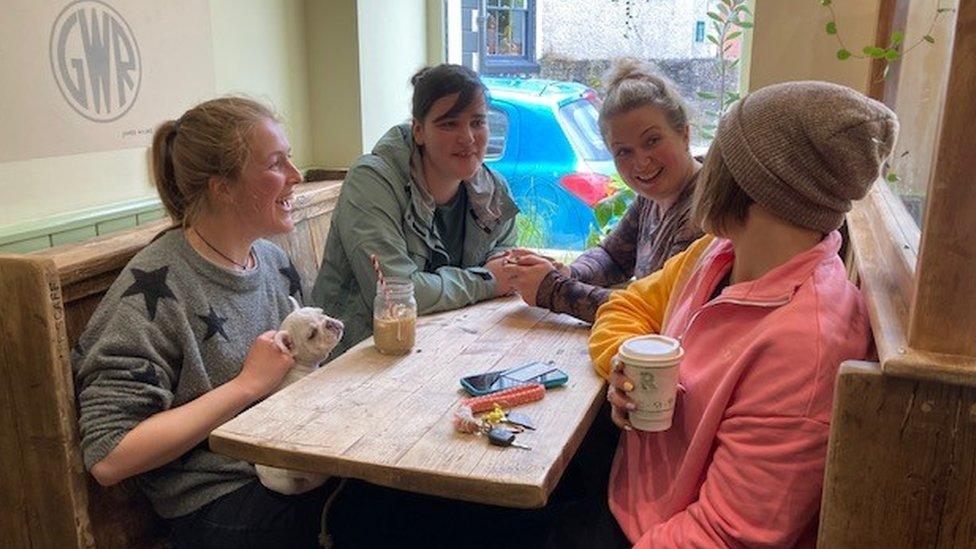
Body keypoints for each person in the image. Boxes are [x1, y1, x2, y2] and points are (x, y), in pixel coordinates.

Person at [586, 81, 897, 547]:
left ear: (757, 186)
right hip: (631, 496)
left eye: (721, 155)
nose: (704, 166)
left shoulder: (804, 348)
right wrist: (624, 370)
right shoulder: (717, 253)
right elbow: (627, 305)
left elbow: (724, 536)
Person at [72, 97, 334, 548]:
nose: (295, 175)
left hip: (296, 468)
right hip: (218, 502)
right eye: (276, 163)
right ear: (223, 187)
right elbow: (109, 456)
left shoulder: (271, 260)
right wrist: (246, 385)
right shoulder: (153, 288)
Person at [311, 63, 518, 357]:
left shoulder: (492, 189)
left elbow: (505, 254)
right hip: (356, 359)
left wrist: (508, 268)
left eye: (477, 122)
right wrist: (487, 280)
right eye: (449, 124)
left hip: (440, 352)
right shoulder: (371, 181)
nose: (468, 138)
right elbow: (396, 294)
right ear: (419, 130)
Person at [506, 58, 704, 323]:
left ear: (685, 134)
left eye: (652, 141)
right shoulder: (652, 199)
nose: (641, 162)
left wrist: (552, 290)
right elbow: (614, 256)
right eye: (624, 151)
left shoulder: (705, 209)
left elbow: (659, 310)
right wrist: (568, 272)